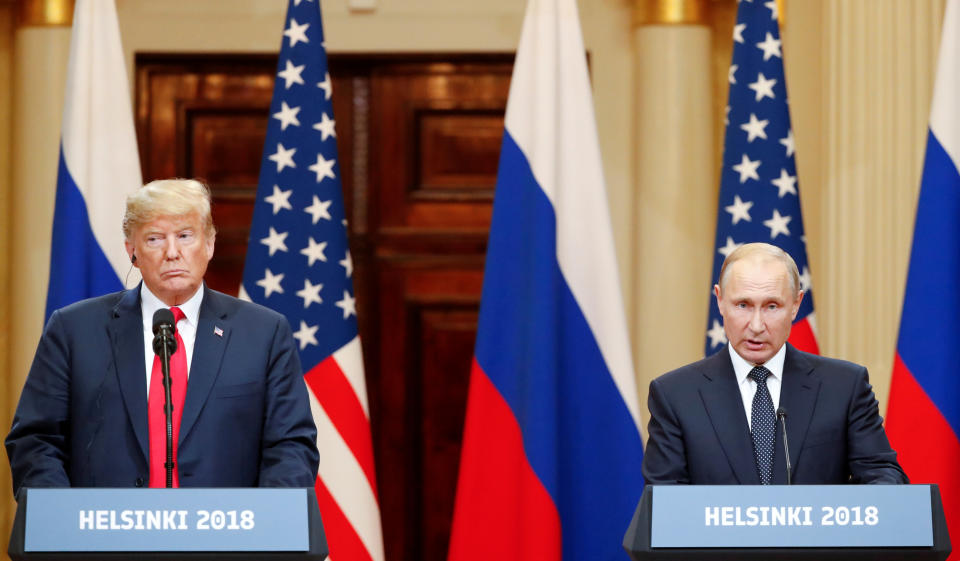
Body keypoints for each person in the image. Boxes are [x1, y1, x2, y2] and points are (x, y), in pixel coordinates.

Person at [6, 179, 319, 495]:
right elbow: (36, 440)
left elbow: (290, 446)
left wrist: (263, 530)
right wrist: (65, 523)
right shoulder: (73, 330)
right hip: (105, 537)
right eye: (155, 239)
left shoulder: (264, 334)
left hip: (224, 538)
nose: (172, 252)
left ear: (209, 244)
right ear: (133, 252)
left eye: (185, 236)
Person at [642, 243, 907, 485]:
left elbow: (882, 473)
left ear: (795, 305)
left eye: (772, 306)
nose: (756, 326)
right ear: (720, 300)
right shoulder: (676, 396)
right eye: (743, 304)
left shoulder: (844, 387)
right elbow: (665, 504)